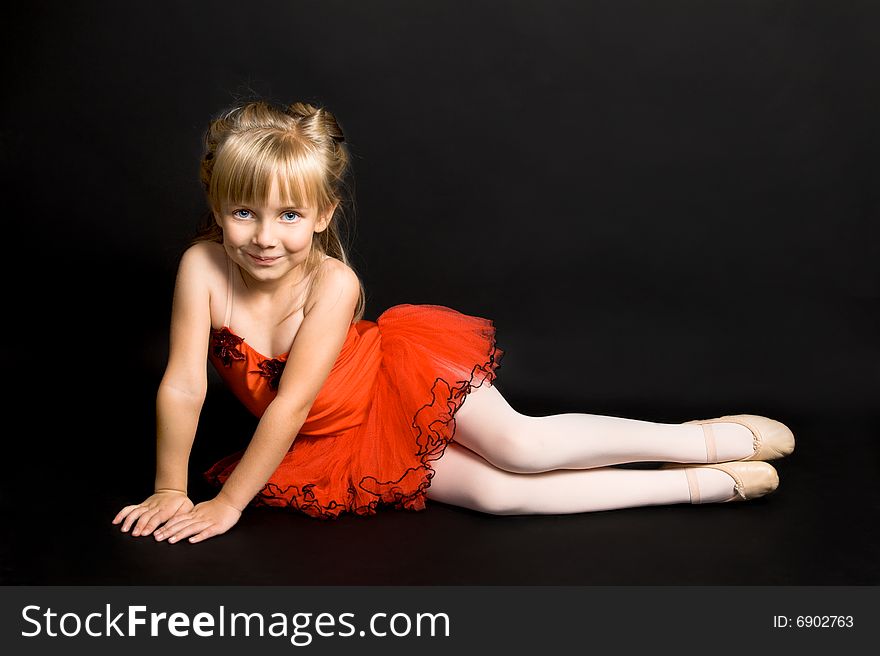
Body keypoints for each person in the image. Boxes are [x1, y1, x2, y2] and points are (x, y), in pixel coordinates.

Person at [112, 100, 795, 544]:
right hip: (340, 438)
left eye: (289, 215)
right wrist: (171, 488)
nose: (265, 236)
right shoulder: (202, 267)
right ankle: (706, 485)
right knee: (499, 500)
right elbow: (182, 386)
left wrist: (228, 505)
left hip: (396, 380)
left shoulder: (333, 281)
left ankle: (703, 440)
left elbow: (288, 404)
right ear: (217, 203)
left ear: (321, 215)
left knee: (521, 449)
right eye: (244, 213)